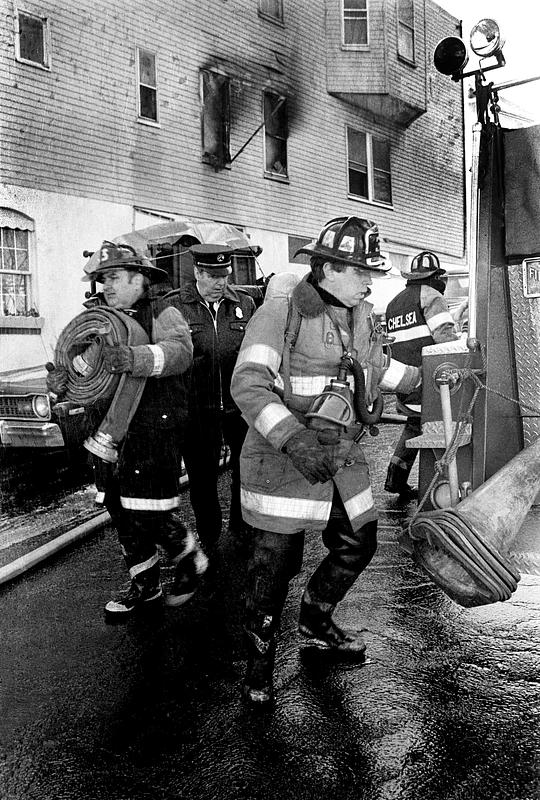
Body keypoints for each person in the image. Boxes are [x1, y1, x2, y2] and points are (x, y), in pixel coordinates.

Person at [230, 216, 422, 705]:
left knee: (359, 542)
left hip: (341, 459)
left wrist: (430, 376)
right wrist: (293, 439)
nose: (368, 281)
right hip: (283, 462)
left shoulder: (360, 316)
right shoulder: (281, 314)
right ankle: (258, 668)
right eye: (360, 272)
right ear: (328, 268)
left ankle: (315, 625)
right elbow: (248, 384)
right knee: (273, 568)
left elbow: (378, 371)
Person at [46, 241, 208, 619]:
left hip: (152, 431)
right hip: (106, 432)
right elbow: (85, 371)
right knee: (120, 510)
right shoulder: (96, 320)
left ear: (140, 278)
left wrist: (136, 357)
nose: (107, 286)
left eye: (115, 277)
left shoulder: (163, 312)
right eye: (103, 279)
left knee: (147, 509)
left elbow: (180, 353)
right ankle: (145, 585)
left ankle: (190, 561)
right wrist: (63, 382)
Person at [166, 244, 257, 554]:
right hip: (198, 410)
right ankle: (210, 535)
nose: (221, 282)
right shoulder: (176, 308)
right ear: (197, 273)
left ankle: (241, 529)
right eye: (214, 276)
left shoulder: (243, 303)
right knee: (202, 480)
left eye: (225, 275)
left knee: (245, 471)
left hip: (239, 407)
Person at [384, 250, 458, 501]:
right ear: (436, 277)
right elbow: (445, 338)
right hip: (428, 380)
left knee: (413, 426)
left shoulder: (394, 303)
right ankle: (438, 488)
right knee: (438, 428)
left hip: (403, 381)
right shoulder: (431, 295)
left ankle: (395, 479)